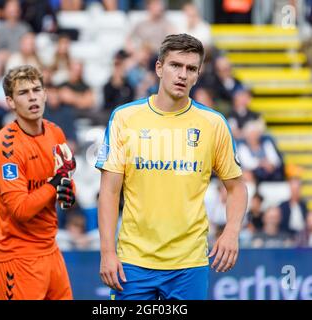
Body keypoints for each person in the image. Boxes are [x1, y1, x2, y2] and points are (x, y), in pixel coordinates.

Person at [96, 34, 248, 300]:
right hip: (133, 261)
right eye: (175, 65)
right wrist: (108, 253)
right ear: (158, 68)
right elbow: (109, 192)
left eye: (190, 69)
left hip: (189, 264)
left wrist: (232, 231)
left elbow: (236, 187)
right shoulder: (124, 118)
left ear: (198, 75)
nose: (182, 74)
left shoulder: (213, 124)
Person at [0, 65, 76, 300]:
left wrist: (68, 194)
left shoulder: (55, 132)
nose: (32, 97)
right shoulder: (6, 147)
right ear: (10, 102)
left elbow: (65, 183)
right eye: (23, 93)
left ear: (45, 94)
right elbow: (20, 210)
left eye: (36, 90)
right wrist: (54, 184)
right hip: (18, 257)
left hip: (51, 250)